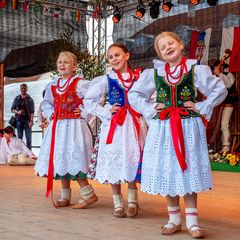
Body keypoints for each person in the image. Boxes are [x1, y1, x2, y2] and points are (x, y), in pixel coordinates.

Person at [128, 32, 227, 238]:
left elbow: (219, 89)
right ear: (161, 55)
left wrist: (201, 105)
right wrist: (152, 107)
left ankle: (192, 221)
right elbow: (134, 94)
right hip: (163, 127)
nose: (167, 48)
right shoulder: (155, 73)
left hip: (188, 126)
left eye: (170, 43)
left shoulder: (195, 69)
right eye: (162, 48)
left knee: (187, 169)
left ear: (180, 45)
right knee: (168, 169)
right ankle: (174, 219)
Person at [84, 43, 147, 218]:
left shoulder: (139, 77)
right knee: (114, 159)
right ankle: (118, 202)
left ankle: (133, 200)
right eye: (110, 57)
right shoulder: (107, 79)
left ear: (127, 55)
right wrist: (105, 111)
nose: (114, 59)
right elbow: (89, 101)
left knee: (132, 158)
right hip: (116, 125)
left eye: (117, 55)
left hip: (134, 123)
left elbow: (149, 97)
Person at [34, 51, 98, 209]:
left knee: (74, 158)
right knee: (61, 158)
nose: (62, 65)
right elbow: (47, 103)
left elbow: (95, 99)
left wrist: (84, 112)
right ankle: (65, 195)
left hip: (75, 127)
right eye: (59, 62)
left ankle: (88, 194)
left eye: (66, 62)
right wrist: (51, 114)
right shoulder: (53, 85)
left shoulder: (81, 83)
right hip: (59, 127)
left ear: (75, 66)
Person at [211, 60, 238, 152]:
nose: (216, 69)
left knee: (224, 125)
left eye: (217, 67)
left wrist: (220, 75)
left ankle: (226, 147)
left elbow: (229, 85)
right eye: (215, 68)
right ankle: (220, 146)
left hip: (227, 105)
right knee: (219, 126)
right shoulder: (214, 78)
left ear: (221, 67)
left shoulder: (228, 75)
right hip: (218, 106)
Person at [11, 83, 35, 150]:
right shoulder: (17, 98)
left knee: (29, 138)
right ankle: (20, 153)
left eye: (25, 88)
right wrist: (17, 112)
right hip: (18, 120)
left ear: (27, 89)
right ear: (20, 89)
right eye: (22, 88)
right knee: (19, 139)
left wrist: (31, 121)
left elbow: (32, 112)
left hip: (27, 120)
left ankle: (29, 154)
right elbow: (12, 109)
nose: (23, 89)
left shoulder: (30, 99)